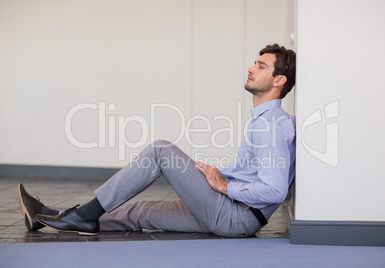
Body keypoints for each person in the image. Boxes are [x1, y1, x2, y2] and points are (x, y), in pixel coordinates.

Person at [18, 44, 296, 237]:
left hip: (236, 216)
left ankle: (81, 216)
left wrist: (224, 186)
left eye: (260, 66)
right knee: (139, 212)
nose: (251, 68)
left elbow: (274, 191)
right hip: (230, 211)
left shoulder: (270, 126)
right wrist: (225, 182)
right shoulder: (268, 121)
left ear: (278, 80)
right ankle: (53, 216)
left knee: (161, 151)